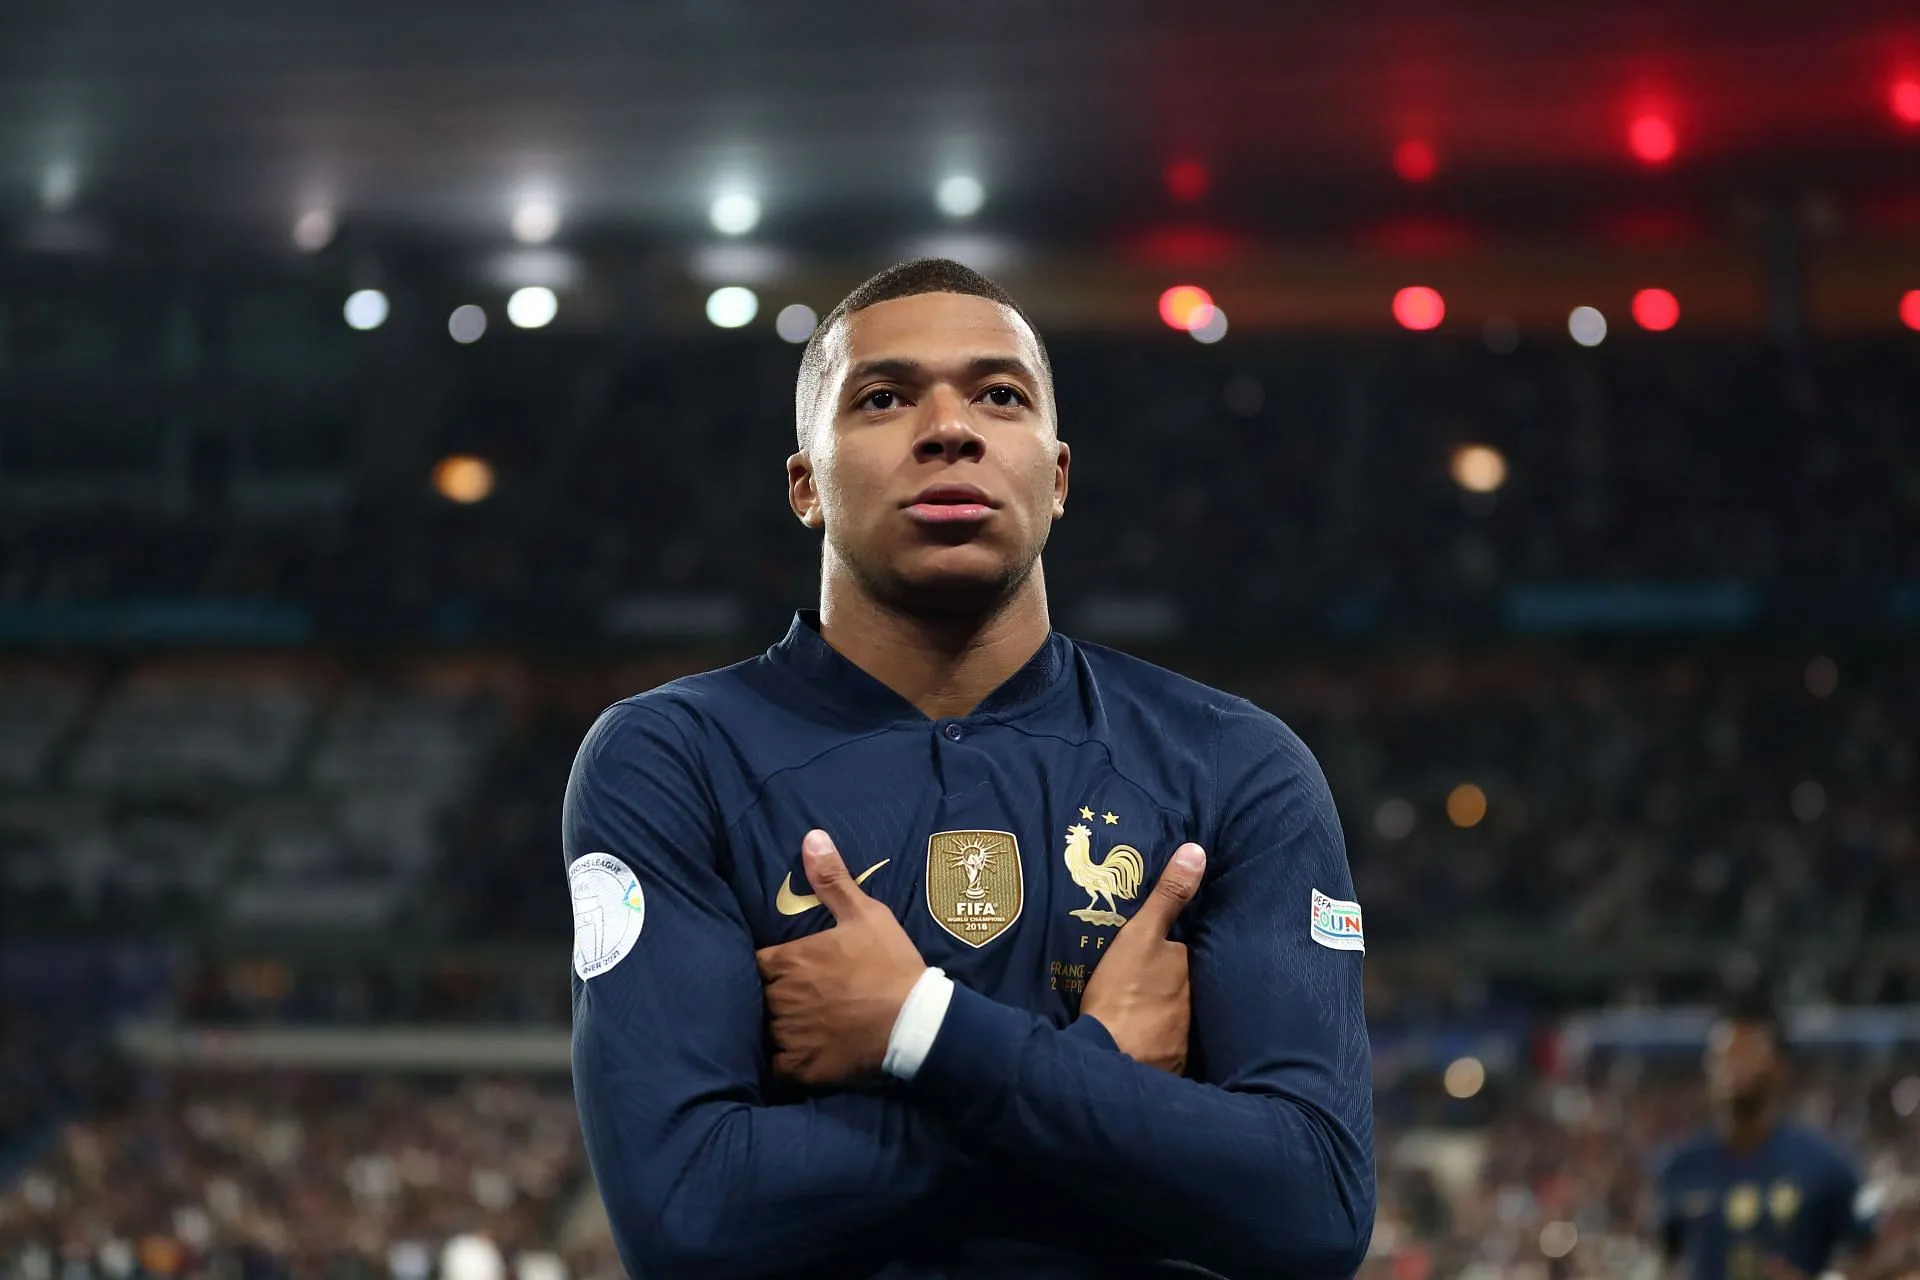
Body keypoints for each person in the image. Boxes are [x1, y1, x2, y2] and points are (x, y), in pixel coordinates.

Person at [564, 258, 1375, 1279]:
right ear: (806, 484)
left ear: (1059, 474)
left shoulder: (1239, 763)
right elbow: (684, 1219)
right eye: (885, 397)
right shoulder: (672, 756)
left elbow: (1313, 1207)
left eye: (1000, 394)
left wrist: (921, 1030)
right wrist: (1098, 1078)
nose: (950, 428)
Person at [1652, 990, 1878, 1280]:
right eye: (1725, 1055)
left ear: (1779, 1067)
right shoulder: (1680, 1168)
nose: (1735, 1068)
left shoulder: (1825, 1165)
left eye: (1749, 1053)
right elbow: (1668, 1261)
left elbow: (1865, 1253)